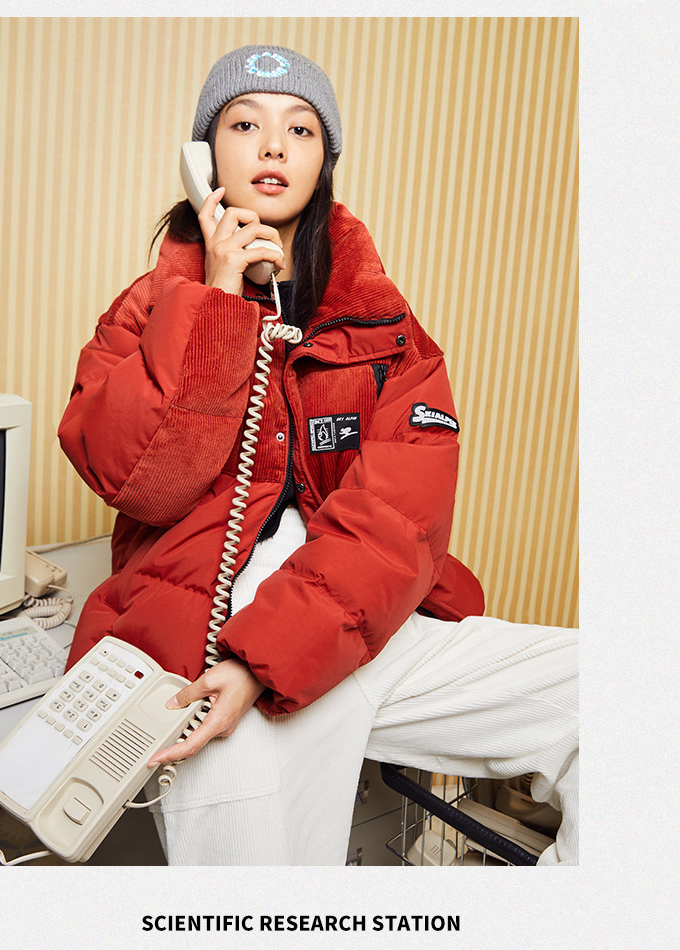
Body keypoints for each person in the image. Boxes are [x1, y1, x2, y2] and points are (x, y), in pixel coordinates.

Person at [58, 45, 578, 865]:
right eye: (244, 124)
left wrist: (269, 660)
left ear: (325, 158)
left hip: (366, 619)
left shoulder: (386, 325)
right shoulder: (145, 312)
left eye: (300, 129)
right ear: (204, 154)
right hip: (208, 636)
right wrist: (213, 302)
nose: (273, 145)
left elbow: (400, 517)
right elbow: (144, 482)